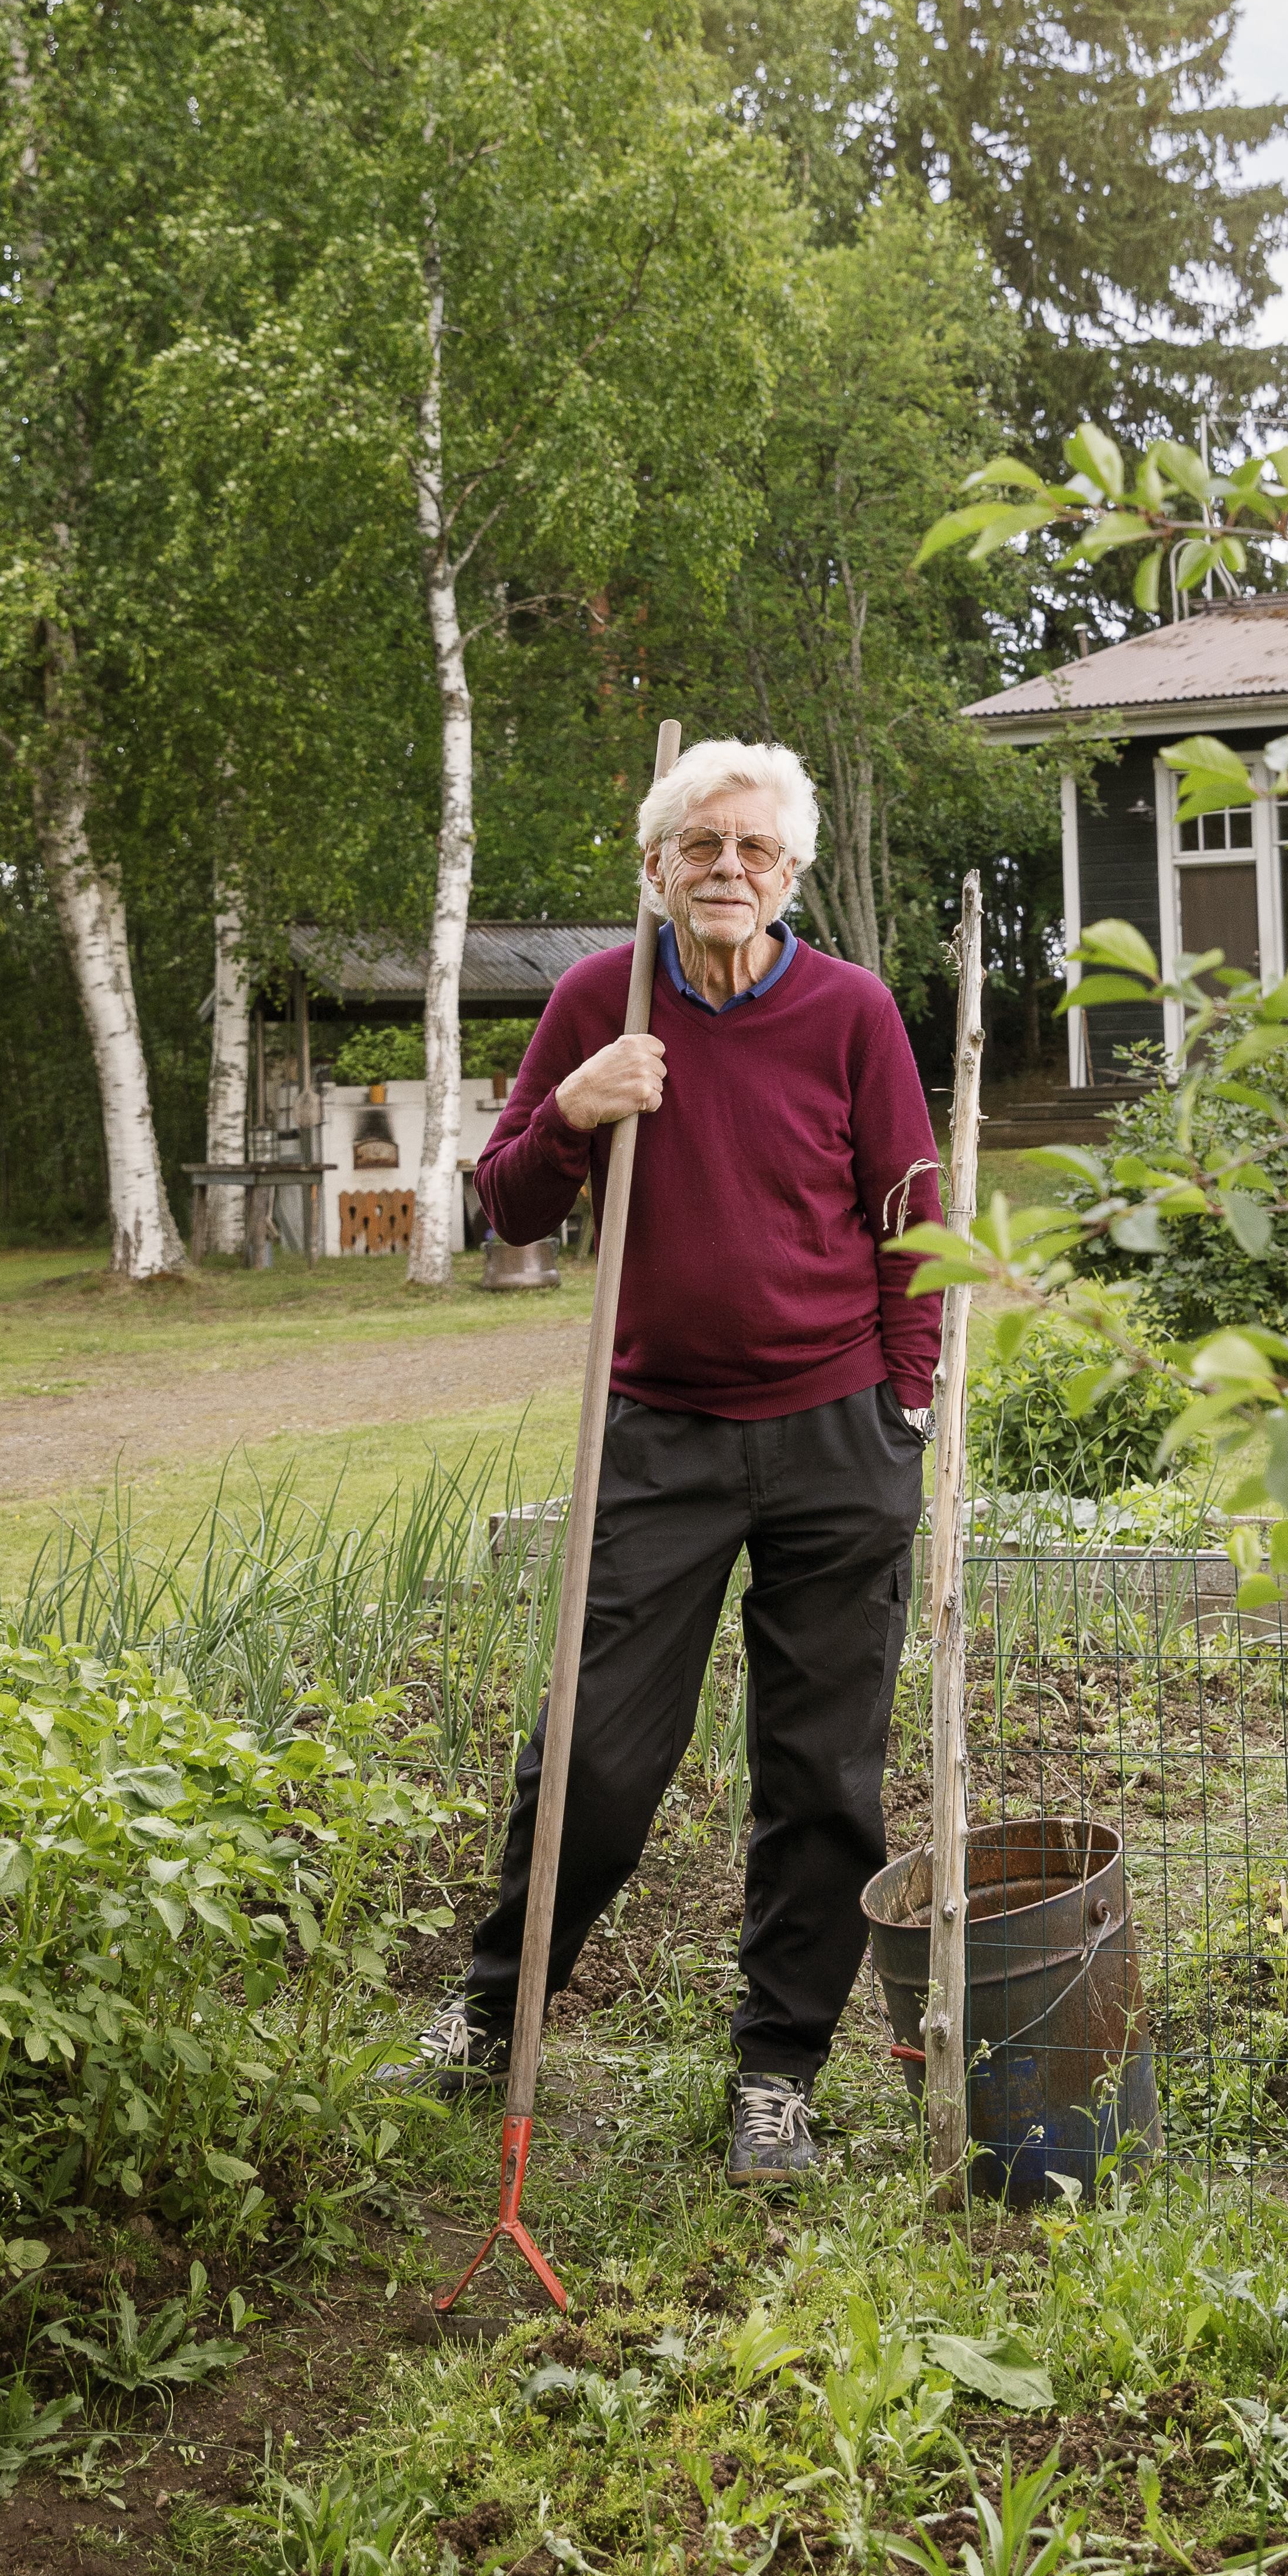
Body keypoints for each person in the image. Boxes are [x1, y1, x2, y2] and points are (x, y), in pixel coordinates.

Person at [411, 737, 941, 2186]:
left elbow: (912, 1214)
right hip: (659, 1434)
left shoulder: (850, 1012)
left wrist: (903, 1405)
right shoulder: (603, 1000)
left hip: (836, 1433)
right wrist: (576, 1110)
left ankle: (776, 2074)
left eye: (752, 848)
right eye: (699, 845)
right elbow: (506, 1208)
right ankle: (494, 2009)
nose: (725, 869)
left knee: (821, 1771)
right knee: (592, 1753)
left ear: (790, 872)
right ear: (654, 867)